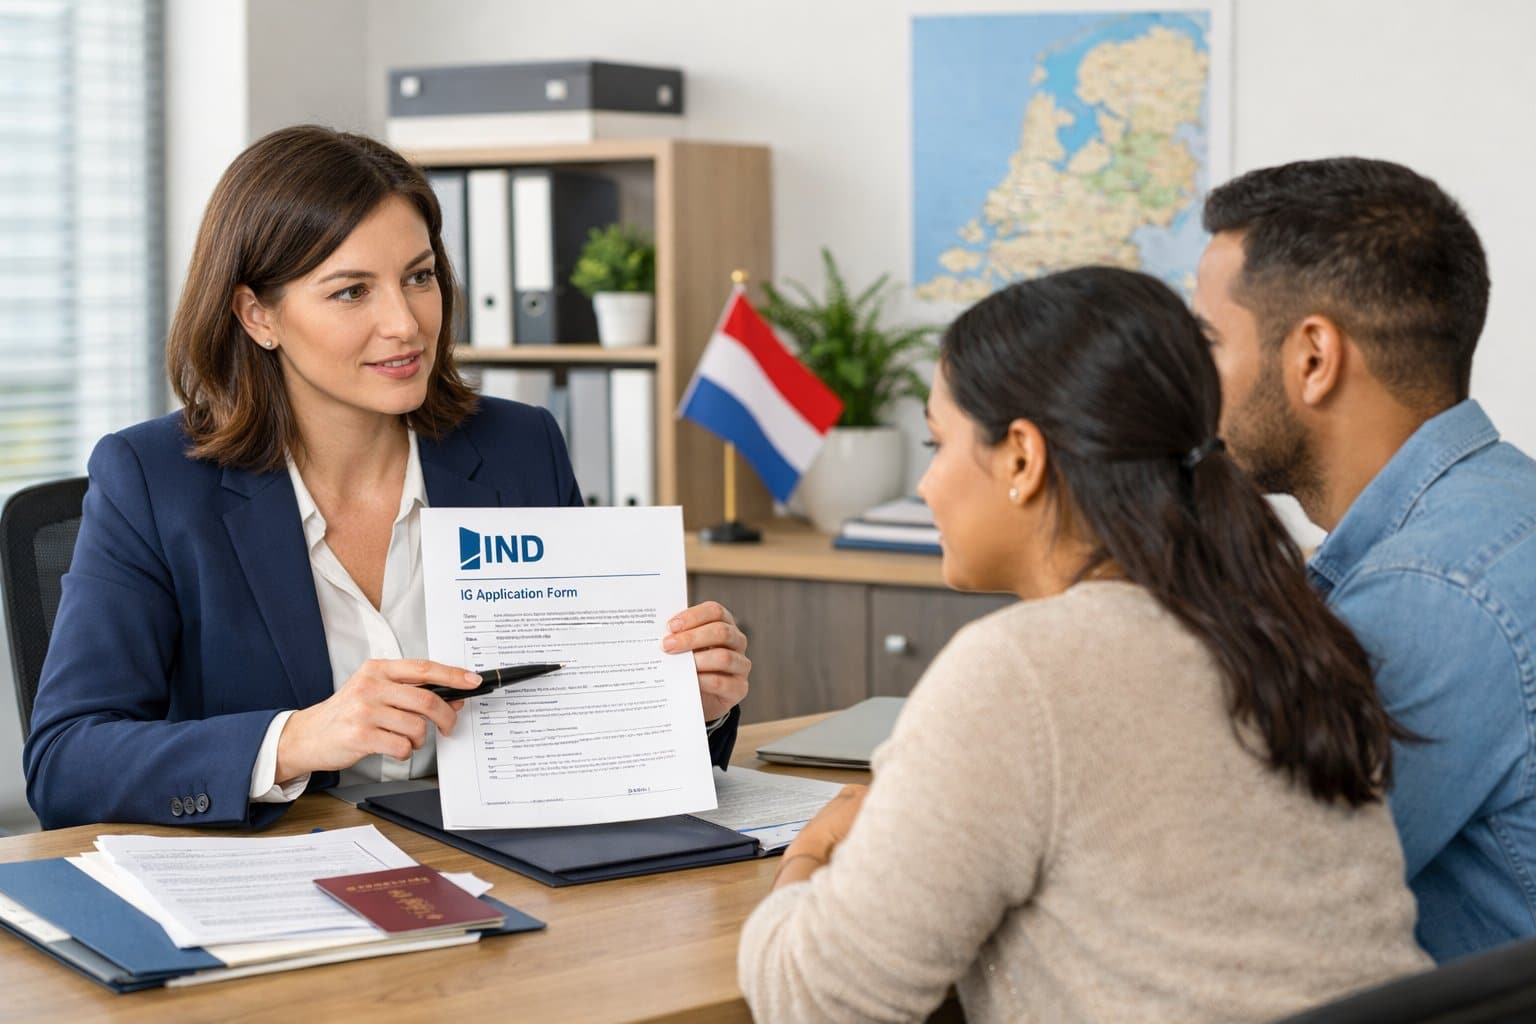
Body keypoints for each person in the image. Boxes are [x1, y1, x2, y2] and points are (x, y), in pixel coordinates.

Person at [737, 267, 1429, 1023]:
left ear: (1022, 458)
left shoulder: (1020, 669)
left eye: (937, 444)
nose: (926, 485)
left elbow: (817, 1000)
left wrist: (812, 850)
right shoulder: (1286, 629)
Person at [23, 126, 750, 831]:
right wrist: (298, 738)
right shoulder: (154, 480)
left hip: (499, 862)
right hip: (286, 874)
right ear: (257, 315)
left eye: (419, 277)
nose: (405, 323)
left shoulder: (519, 448)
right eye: (351, 291)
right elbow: (66, 764)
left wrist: (689, 703)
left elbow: (581, 714)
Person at [1195, 157, 1536, 962]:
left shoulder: (1430, 596)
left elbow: (1252, 905)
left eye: (1208, 343)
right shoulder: (1499, 504)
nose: (1192, 382)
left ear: (1313, 358)